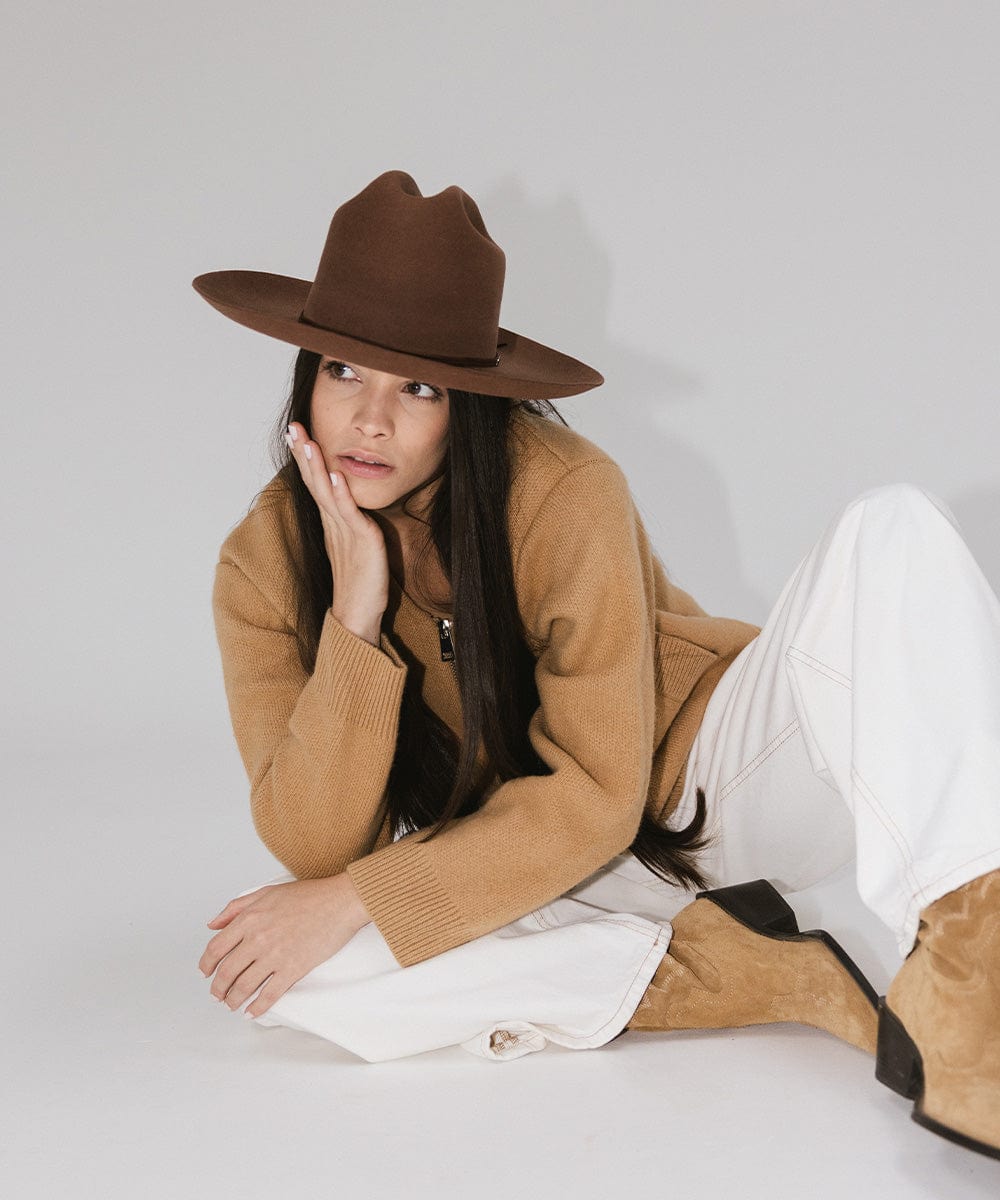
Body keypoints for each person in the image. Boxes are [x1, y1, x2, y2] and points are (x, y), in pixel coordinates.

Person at [193, 170, 1000, 1161]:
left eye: (420, 387)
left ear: (468, 404)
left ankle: (979, 974)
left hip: (717, 782)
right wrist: (354, 621)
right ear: (303, 376)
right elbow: (316, 848)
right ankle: (751, 969)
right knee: (293, 978)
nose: (370, 419)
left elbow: (596, 790)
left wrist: (363, 894)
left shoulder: (561, 489)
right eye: (343, 371)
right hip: (555, 869)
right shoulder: (262, 563)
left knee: (894, 528)